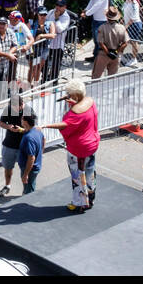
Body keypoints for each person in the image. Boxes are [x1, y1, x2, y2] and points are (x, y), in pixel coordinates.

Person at [43, 79, 99, 211]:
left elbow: (66, 125)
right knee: (90, 172)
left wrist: (45, 125)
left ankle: (80, 202)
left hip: (78, 148)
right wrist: (73, 100)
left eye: (69, 94)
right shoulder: (90, 101)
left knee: (77, 176)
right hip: (92, 143)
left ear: (75, 95)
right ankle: (90, 198)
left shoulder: (75, 112)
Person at [91, 6, 129, 79]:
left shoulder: (102, 27)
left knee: (96, 76)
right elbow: (125, 43)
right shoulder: (122, 28)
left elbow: (101, 43)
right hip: (116, 55)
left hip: (103, 54)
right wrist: (116, 51)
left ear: (107, 17)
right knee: (112, 78)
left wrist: (108, 53)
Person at [17, 111, 43, 194]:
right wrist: (41, 152)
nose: (20, 120)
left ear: (25, 122)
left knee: (28, 192)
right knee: (30, 186)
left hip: (30, 169)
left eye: (22, 118)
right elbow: (44, 139)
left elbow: (31, 158)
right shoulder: (37, 130)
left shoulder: (29, 138)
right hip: (34, 167)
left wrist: (25, 175)